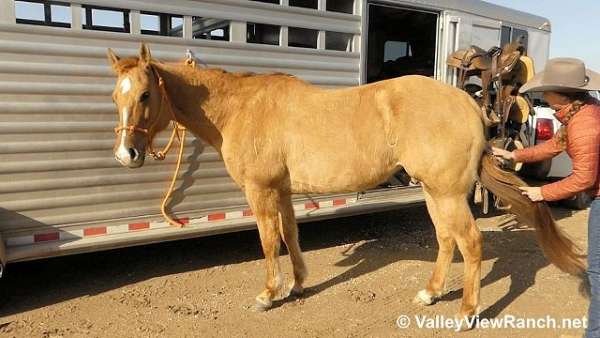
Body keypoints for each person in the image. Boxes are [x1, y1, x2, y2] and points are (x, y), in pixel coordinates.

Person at [492, 58, 600, 338]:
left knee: (597, 273)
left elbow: (584, 179)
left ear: (560, 94)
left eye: (547, 89)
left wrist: (542, 192)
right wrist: (515, 155)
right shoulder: (581, 111)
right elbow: (554, 146)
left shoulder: (584, 124)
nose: (542, 94)